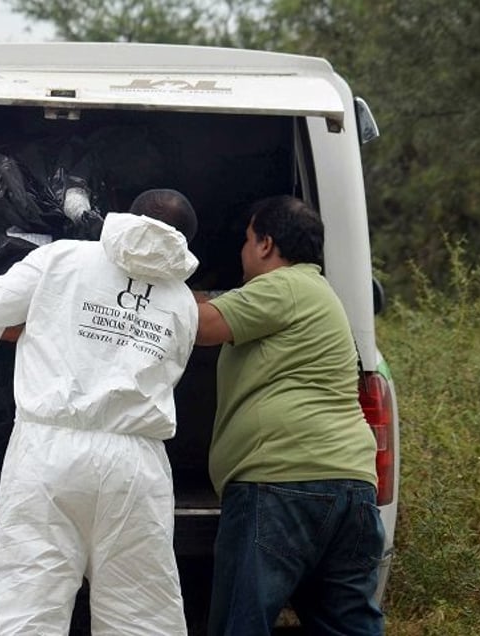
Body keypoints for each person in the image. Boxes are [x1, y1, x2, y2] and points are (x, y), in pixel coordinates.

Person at [0, 189, 200, 635]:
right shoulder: (184, 302)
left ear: (125, 217)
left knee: (30, 604)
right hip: (136, 467)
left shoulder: (61, 259)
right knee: (141, 615)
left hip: (48, 452)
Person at [195, 195, 384, 635]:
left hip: (282, 487)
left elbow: (202, 327)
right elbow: (220, 304)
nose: (243, 251)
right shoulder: (313, 291)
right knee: (347, 625)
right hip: (348, 485)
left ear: (265, 244)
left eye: (246, 240)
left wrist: (139, 295)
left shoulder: (282, 287)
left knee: (241, 624)